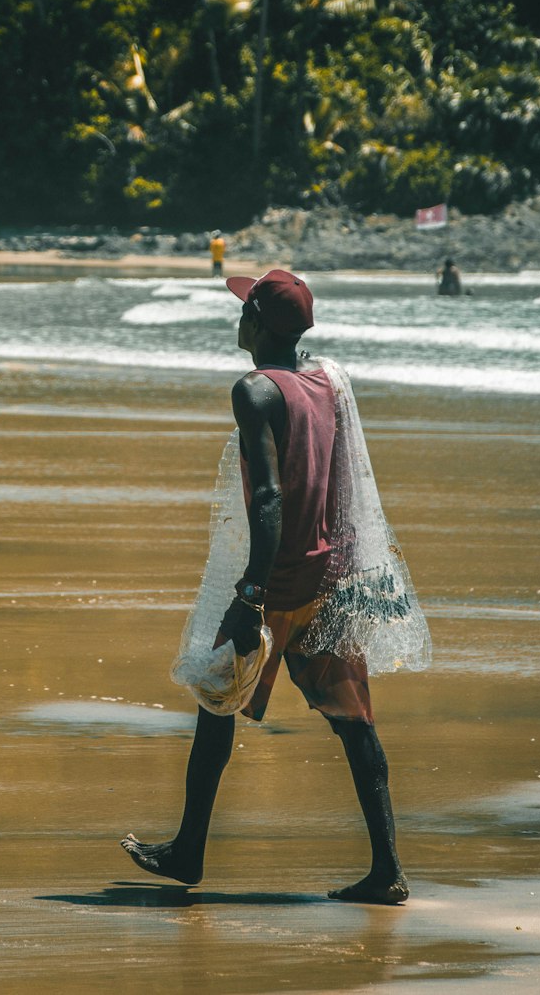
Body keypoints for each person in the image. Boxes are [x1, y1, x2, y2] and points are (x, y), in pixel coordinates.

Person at [121, 268, 430, 904]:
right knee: (354, 721)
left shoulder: (256, 392)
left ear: (259, 324)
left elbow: (267, 496)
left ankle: (188, 851)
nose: (237, 320)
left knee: (215, 697)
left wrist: (250, 595)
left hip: (281, 583)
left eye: (244, 311)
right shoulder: (328, 380)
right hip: (331, 573)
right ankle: (387, 869)